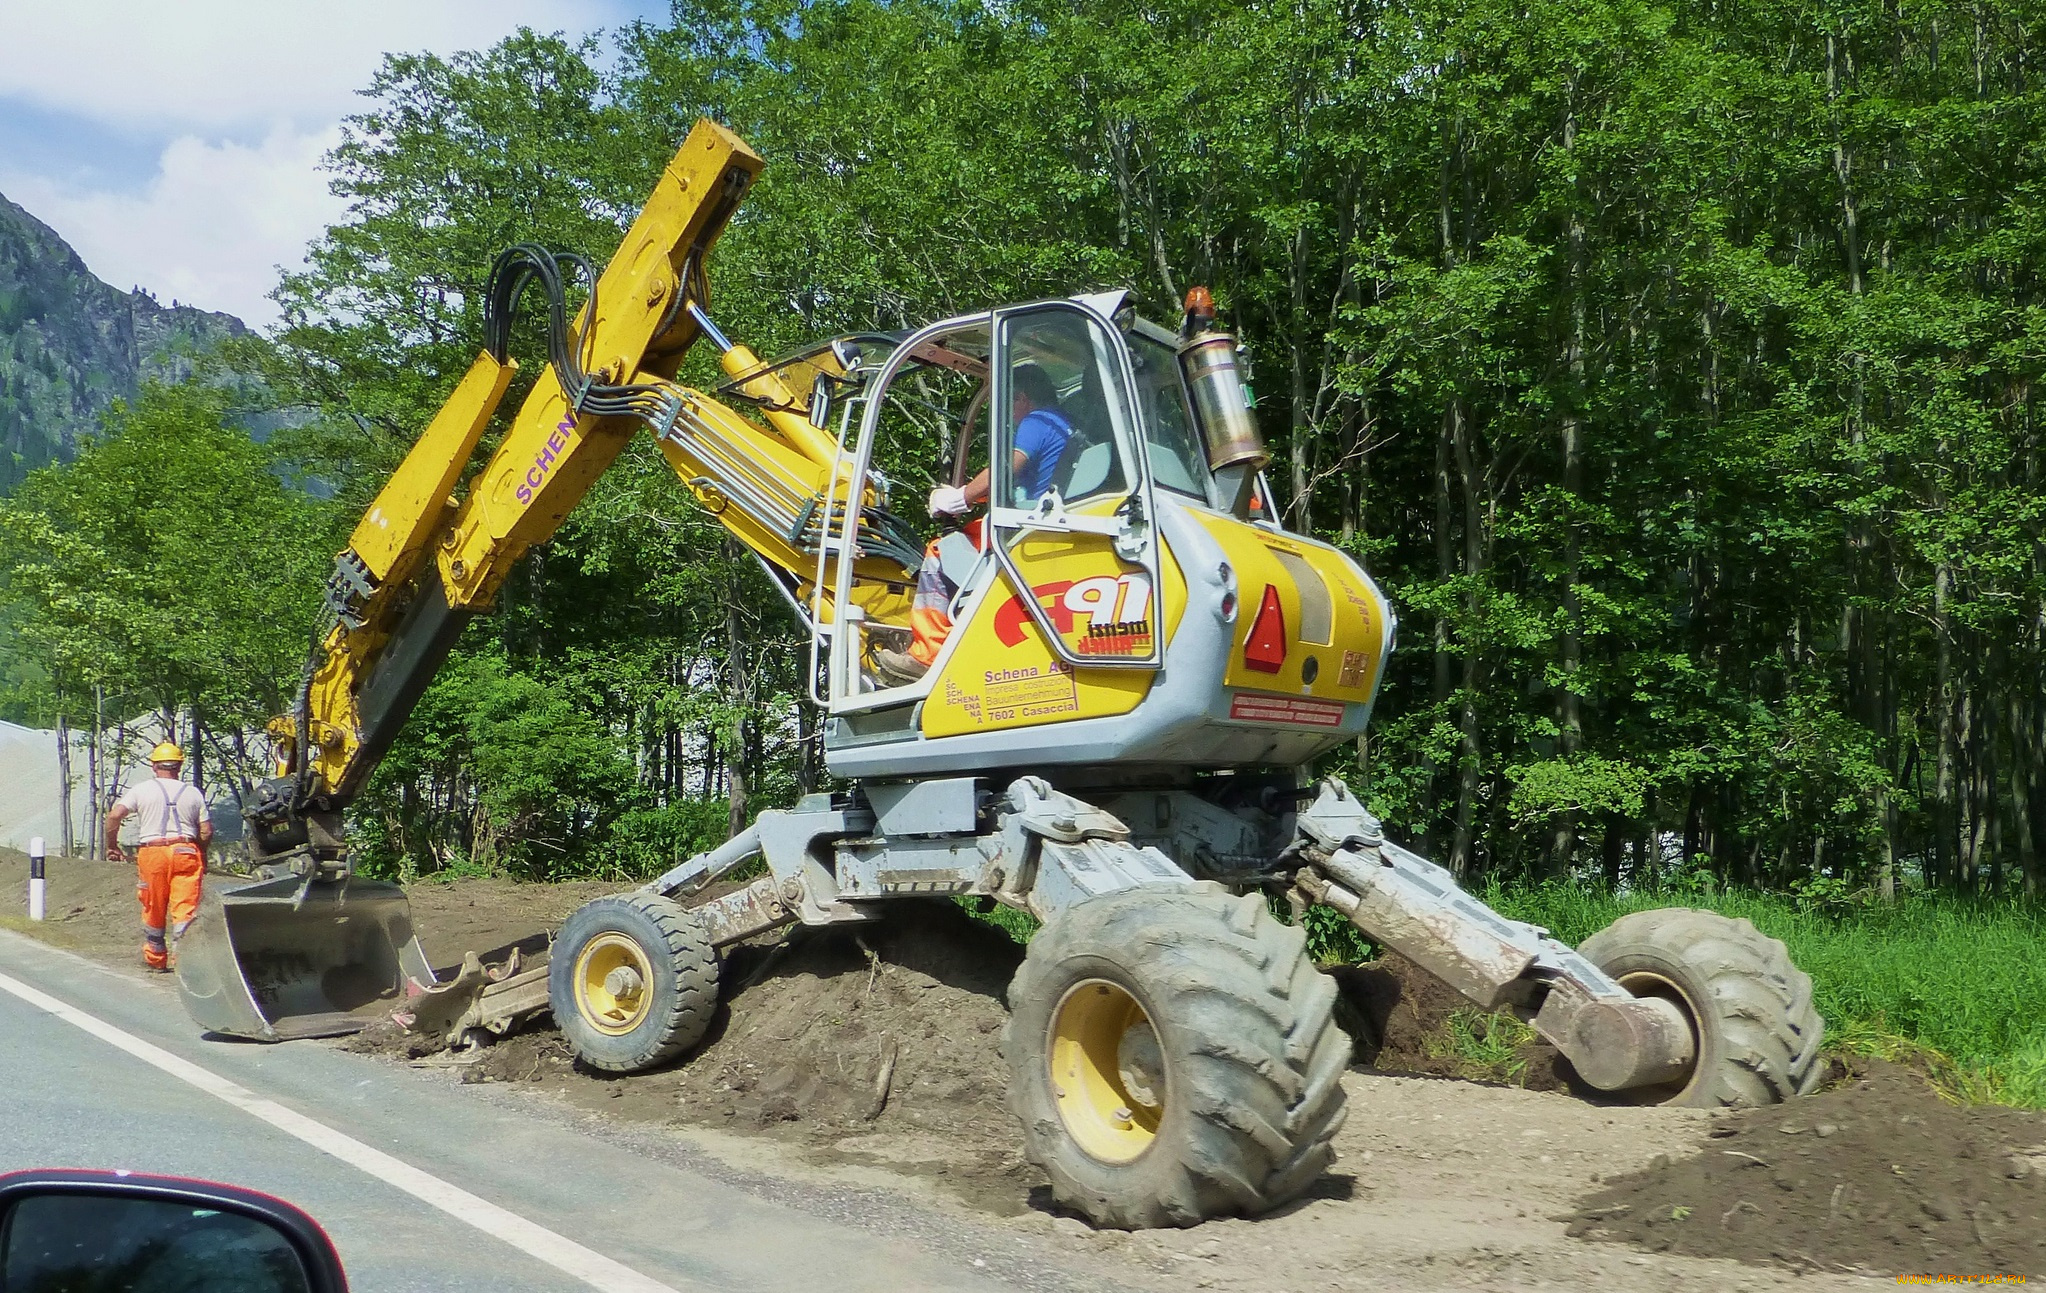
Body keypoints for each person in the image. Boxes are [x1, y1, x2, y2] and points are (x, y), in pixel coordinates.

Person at [876, 362, 1072, 686]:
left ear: (1021, 397)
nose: (1010, 415)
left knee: (941, 551)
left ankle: (926, 655)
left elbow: (1005, 469)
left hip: (1025, 528)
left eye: (1010, 405)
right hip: (1041, 520)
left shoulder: (1037, 421)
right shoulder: (1064, 424)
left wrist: (960, 498)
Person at [104, 741, 212, 973]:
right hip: (186, 851)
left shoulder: (142, 790)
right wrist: (200, 853)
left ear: (154, 766)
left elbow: (114, 816)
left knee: (153, 904)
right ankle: (184, 961)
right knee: (185, 909)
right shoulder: (193, 793)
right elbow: (206, 831)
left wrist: (112, 846)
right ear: (179, 766)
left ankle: (156, 959)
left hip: (153, 853)